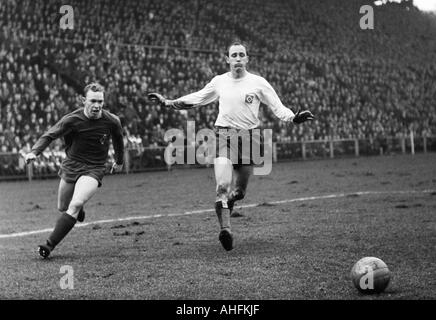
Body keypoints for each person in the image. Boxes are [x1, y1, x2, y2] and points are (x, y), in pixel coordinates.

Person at [148, 42, 314, 251]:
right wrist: (169, 102)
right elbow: (198, 98)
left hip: (250, 139)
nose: (237, 58)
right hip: (223, 135)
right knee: (222, 187)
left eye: (241, 55)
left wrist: (293, 118)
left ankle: (230, 202)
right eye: (233, 55)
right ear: (227, 59)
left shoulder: (258, 83)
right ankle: (225, 230)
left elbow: (277, 107)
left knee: (239, 192)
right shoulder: (219, 82)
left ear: (246, 59)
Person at [25, 83, 125, 258]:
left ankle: (49, 245)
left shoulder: (112, 121)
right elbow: (50, 135)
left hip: (94, 168)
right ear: (83, 100)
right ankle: (80, 209)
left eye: (100, 101)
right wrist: (34, 152)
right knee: (62, 206)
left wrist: (119, 161)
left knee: (75, 204)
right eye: (93, 101)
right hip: (72, 165)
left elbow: (118, 138)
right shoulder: (72, 119)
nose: (97, 105)